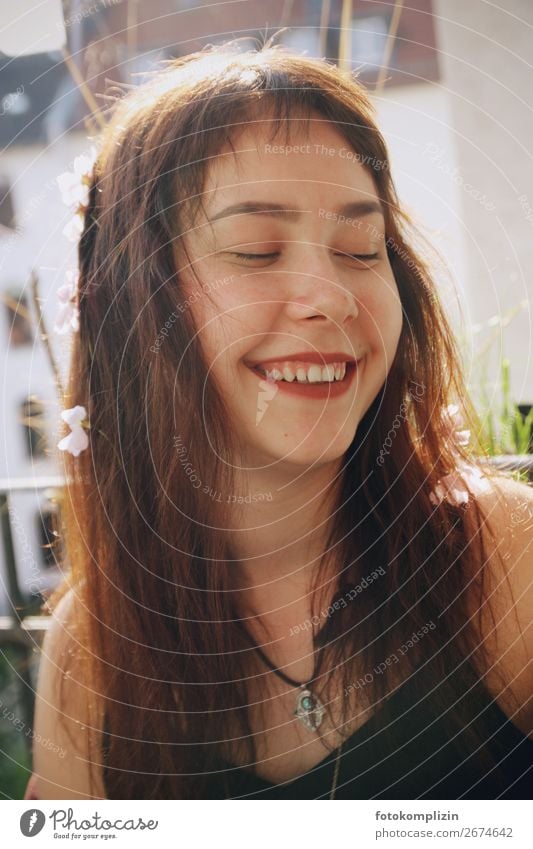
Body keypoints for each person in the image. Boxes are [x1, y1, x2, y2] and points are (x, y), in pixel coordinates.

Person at [26, 41, 532, 801]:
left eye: (362, 249)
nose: (330, 295)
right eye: (256, 250)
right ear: (132, 306)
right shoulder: (91, 655)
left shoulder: (502, 559)